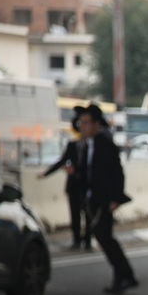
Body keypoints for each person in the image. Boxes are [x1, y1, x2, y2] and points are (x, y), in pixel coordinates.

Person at [78, 104, 137, 294]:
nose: (83, 127)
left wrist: (115, 198)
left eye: (86, 123)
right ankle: (125, 275)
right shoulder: (87, 145)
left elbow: (117, 173)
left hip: (105, 200)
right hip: (93, 199)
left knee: (105, 236)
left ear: (96, 124)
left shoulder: (105, 144)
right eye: (82, 123)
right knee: (104, 237)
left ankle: (124, 275)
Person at [41, 107, 89, 250]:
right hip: (74, 184)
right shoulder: (72, 145)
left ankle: (87, 241)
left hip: (87, 185)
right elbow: (62, 161)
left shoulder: (94, 145)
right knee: (75, 214)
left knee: (88, 214)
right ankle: (76, 241)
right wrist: (46, 173)